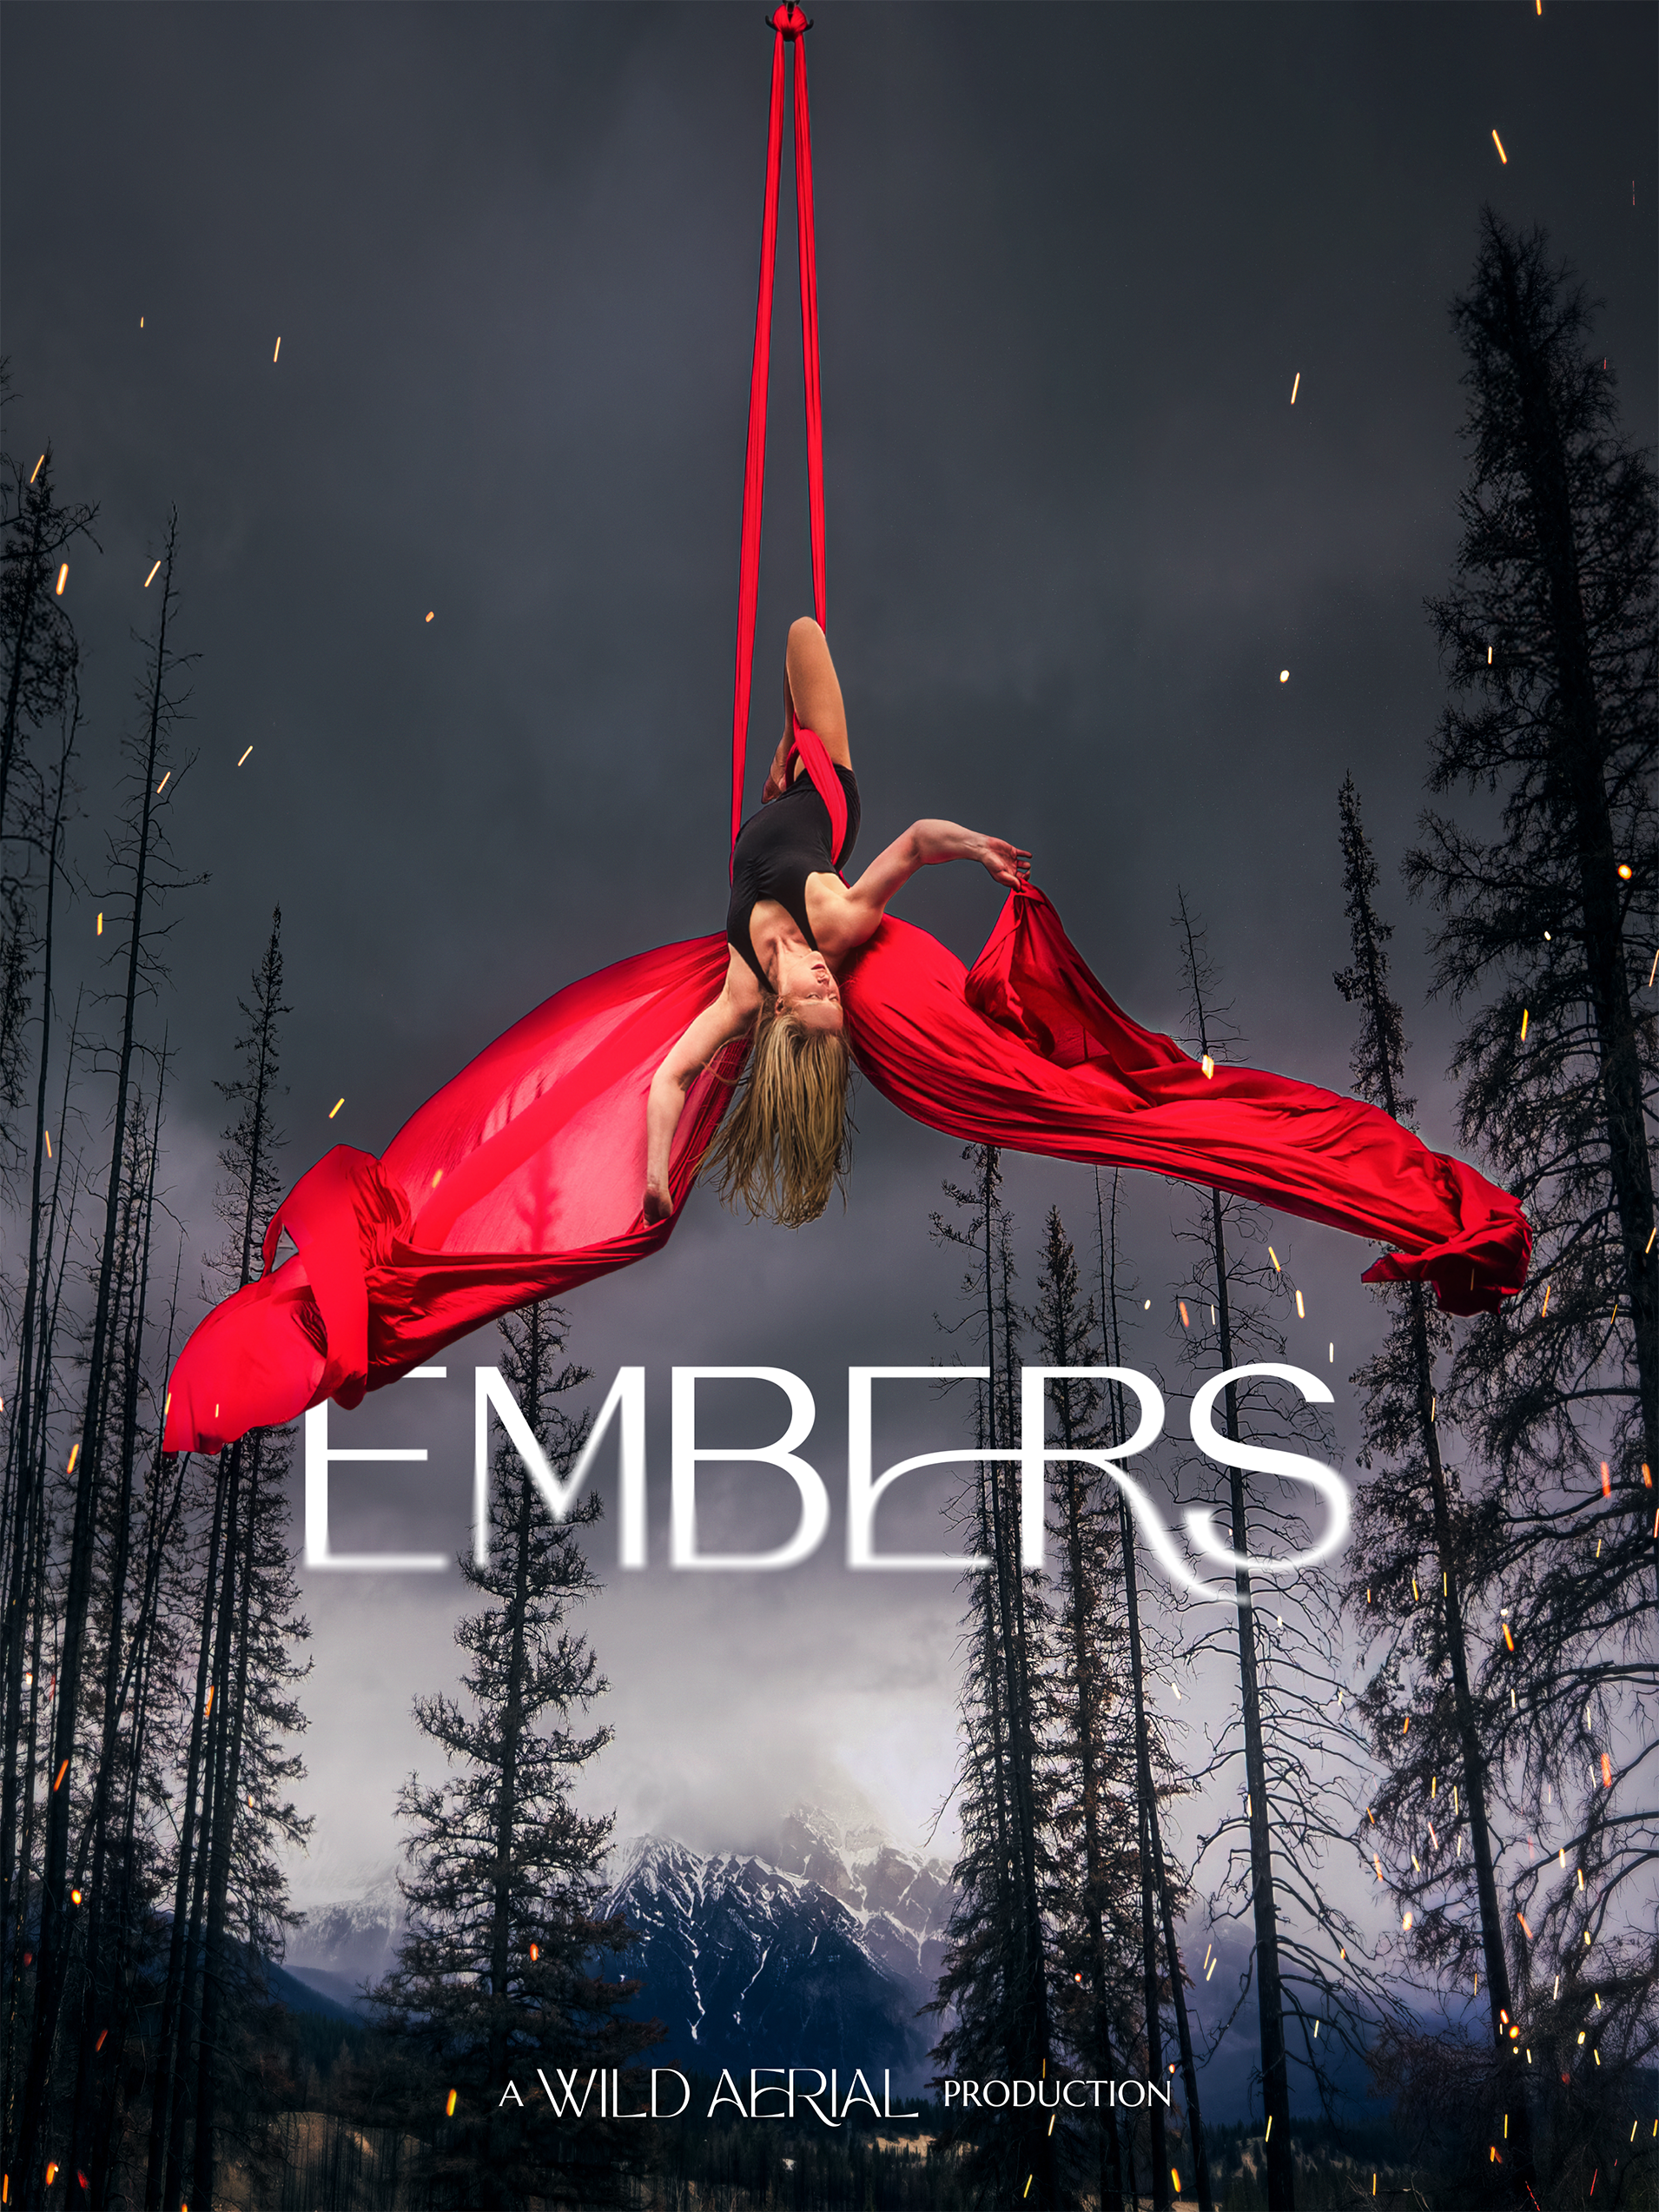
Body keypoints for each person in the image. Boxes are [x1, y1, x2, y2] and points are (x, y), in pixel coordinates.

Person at [643, 617, 1030, 1229]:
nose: (830, 981)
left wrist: (656, 1180)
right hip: (828, 795)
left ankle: (785, 749)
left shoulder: (741, 994)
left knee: (796, 656)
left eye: (815, 995)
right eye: (837, 996)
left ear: (779, 1009)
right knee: (802, 631)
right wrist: (980, 848)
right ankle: (788, 745)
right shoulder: (838, 920)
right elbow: (915, 845)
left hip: (785, 800)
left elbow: (670, 1078)